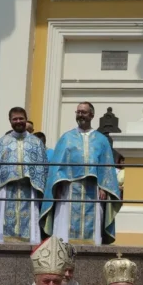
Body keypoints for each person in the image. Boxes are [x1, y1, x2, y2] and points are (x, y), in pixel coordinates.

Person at [44, 102, 121, 245]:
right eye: (78, 112)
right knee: (65, 225)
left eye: (84, 112)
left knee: (93, 224)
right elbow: (57, 166)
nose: (80, 115)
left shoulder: (101, 140)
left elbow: (106, 166)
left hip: (93, 188)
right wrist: (58, 184)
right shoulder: (66, 138)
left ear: (91, 115)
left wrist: (104, 186)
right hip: (70, 188)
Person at [0, 107, 49, 243]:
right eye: (15, 119)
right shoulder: (2, 142)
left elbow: (43, 169)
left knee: (30, 221)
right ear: (10, 121)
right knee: (2, 220)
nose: (18, 121)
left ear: (26, 119)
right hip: (6, 190)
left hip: (29, 189)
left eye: (21, 118)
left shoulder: (36, 143)